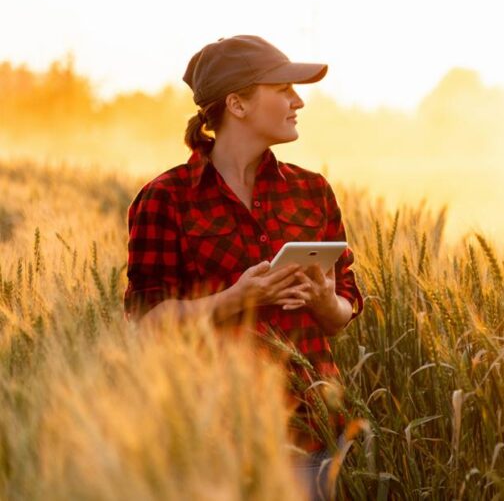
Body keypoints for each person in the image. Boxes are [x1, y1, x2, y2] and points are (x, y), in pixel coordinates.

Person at [122, 35, 364, 500]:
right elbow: (147, 322)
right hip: (214, 438)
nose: (299, 101)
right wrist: (237, 299)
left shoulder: (313, 192)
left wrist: (323, 301)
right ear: (237, 103)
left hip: (310, 432)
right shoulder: (166, 199)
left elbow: (343, 312)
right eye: (283, 89)